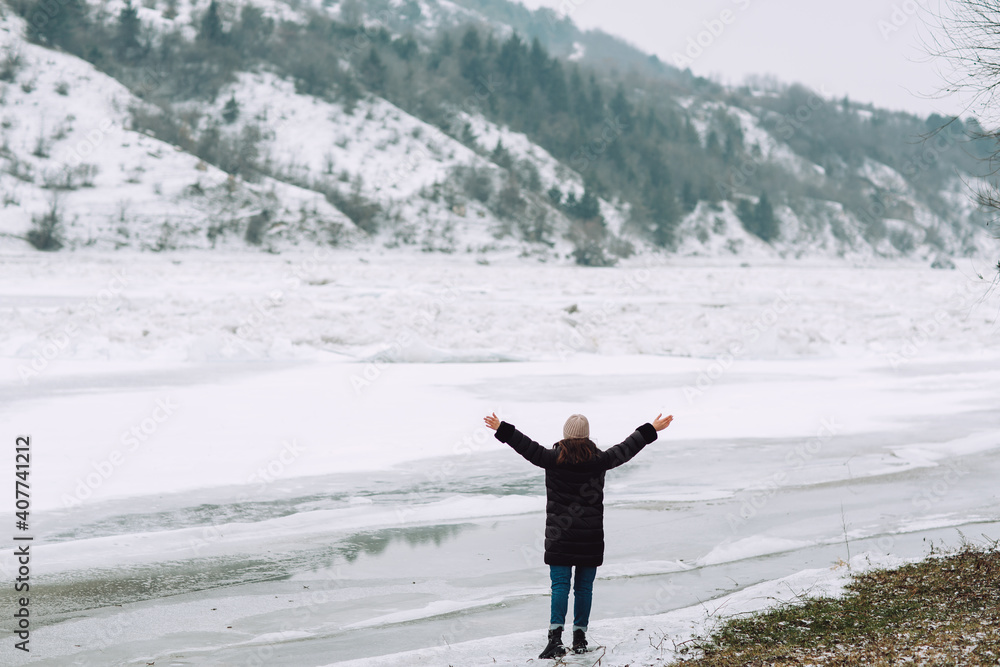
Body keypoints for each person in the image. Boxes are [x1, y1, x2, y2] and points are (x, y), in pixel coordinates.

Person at [483, 411, 674, 658]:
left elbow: (526, 446)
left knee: (560, 586)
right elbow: (628, 447)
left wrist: (502, 428)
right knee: (584, 588)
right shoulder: (600, 460)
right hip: (589, 538)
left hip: (559, 536)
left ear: (565, 435)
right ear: (586, 436)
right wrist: (652, 429)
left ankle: (555, 641)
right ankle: (580, 639)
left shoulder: (552, 458)